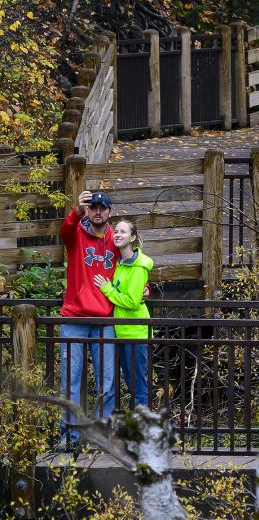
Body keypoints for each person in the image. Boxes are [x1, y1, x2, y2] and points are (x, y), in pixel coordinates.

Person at [59, 189, 119, 447]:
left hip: (105, 320)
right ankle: (70, 437)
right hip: (74, 317)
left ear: (109, 212)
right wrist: (75, 210)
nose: (97, 211)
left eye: (101, 208)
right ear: (87, 210)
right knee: (70, 382)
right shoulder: (76, 235)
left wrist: (144, 288)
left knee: (107, 384)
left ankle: (101, 437)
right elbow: (64, 231)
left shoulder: (116, 239)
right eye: (92, 207)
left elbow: (131, 265)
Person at [97, 218, 152, 408]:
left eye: (123, 232)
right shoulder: (120, 263)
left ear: (132, 238)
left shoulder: (138, 267)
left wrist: (107, 289)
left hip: (135, 332)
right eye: (116, 232)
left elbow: (131, 300)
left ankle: (141, 429)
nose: (118, 235)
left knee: (138, 385)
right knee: (131, 382)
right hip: (122, 330)